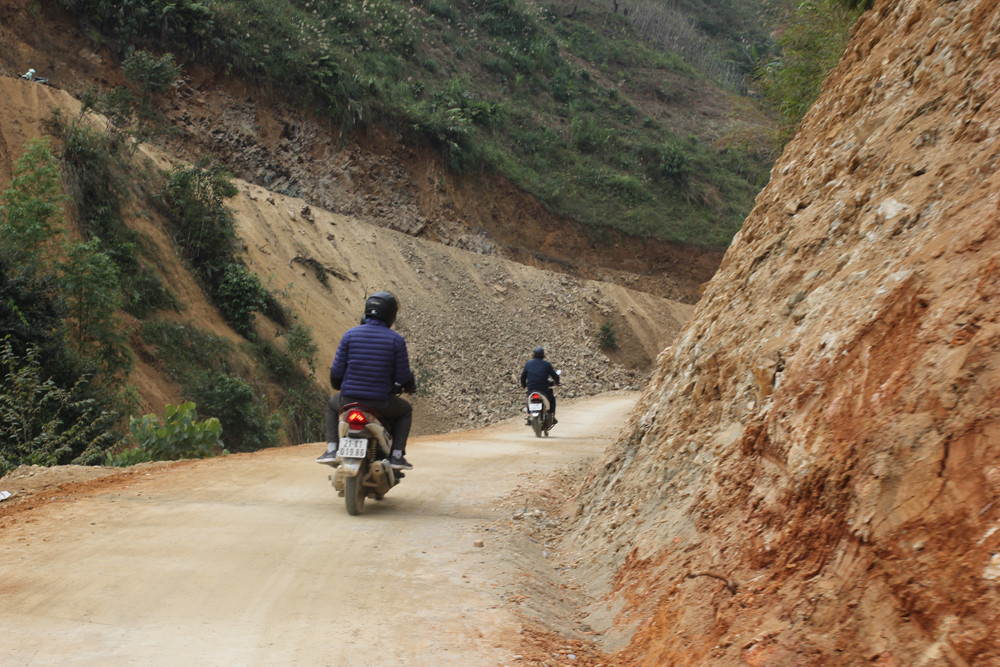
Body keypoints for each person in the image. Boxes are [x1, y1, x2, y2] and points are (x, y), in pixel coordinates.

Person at [317, 291, 417, 470]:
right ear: (391, 314)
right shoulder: (396, 340)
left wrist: (338, 385)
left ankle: (332, 449)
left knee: (331, 405)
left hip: (348, 400)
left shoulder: (349, 335)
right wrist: (409, 385)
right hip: (380, 403)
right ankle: (396, 456)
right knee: (405, 411)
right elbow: (402, 376)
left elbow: (337, 371)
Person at [520, 346, 559, 424]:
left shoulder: (528, 364)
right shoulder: (547, 364)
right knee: (552, 399)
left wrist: (524, 385)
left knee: (529, 398)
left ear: (533, 355)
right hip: (543, 389)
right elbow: (554, 375)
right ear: (543, 355)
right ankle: (552, 414)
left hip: (531, 388)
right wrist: (557, 382)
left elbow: (523, 376)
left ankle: (529, 414)